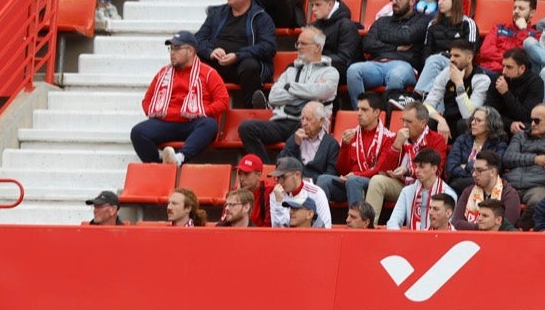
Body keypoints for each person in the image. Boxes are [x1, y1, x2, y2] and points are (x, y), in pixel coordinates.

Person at [131, 31, 229, 165]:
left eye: (177, 49)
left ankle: (179, 158)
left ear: (190, 51)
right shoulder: (163, 73)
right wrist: (156, 112)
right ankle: (160, 166)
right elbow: (147, 100)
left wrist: (203, 111)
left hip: (193, 123)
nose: (172, 53)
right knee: (138, 132)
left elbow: (223, 101)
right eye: (171, 49)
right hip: (166, 123)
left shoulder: (208, 73)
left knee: (209, 125)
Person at [239, 27, 337, 157]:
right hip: (281, 121)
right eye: (298, 43)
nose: (299, 47)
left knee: (303, 134)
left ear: (317, 47)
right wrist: (307, 94)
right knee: (246, 128)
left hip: (306, 124)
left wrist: (289, 87)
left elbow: (319, 93)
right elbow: (273, 97)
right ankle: (263, 167)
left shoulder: (330, 72)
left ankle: (286, 166)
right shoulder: (291, 70)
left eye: (303, 43)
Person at [346, 0, 431, 103]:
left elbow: (407, 36)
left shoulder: (422, 20)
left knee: (396, 75)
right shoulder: (382, 21)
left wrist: (382, 37)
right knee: (353, 70)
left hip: (405, 65)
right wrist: (395, 48)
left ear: (412, 1)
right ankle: (361, 111)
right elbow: (367, 44)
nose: (394, 2)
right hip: (376, 64)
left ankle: (388, 112)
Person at [317, 93, 398, 210]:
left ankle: (357, 219)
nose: (359, 113)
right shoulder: (352, 135)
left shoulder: (388, 137)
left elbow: (380, 169)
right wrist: (345, 146)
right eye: (358, 109)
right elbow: (342, 170)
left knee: (353, 181)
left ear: (376, 112)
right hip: (350, 183)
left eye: (364, 110)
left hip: (372, 185)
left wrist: (356, 175)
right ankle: (321, 219)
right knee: (323, 179)